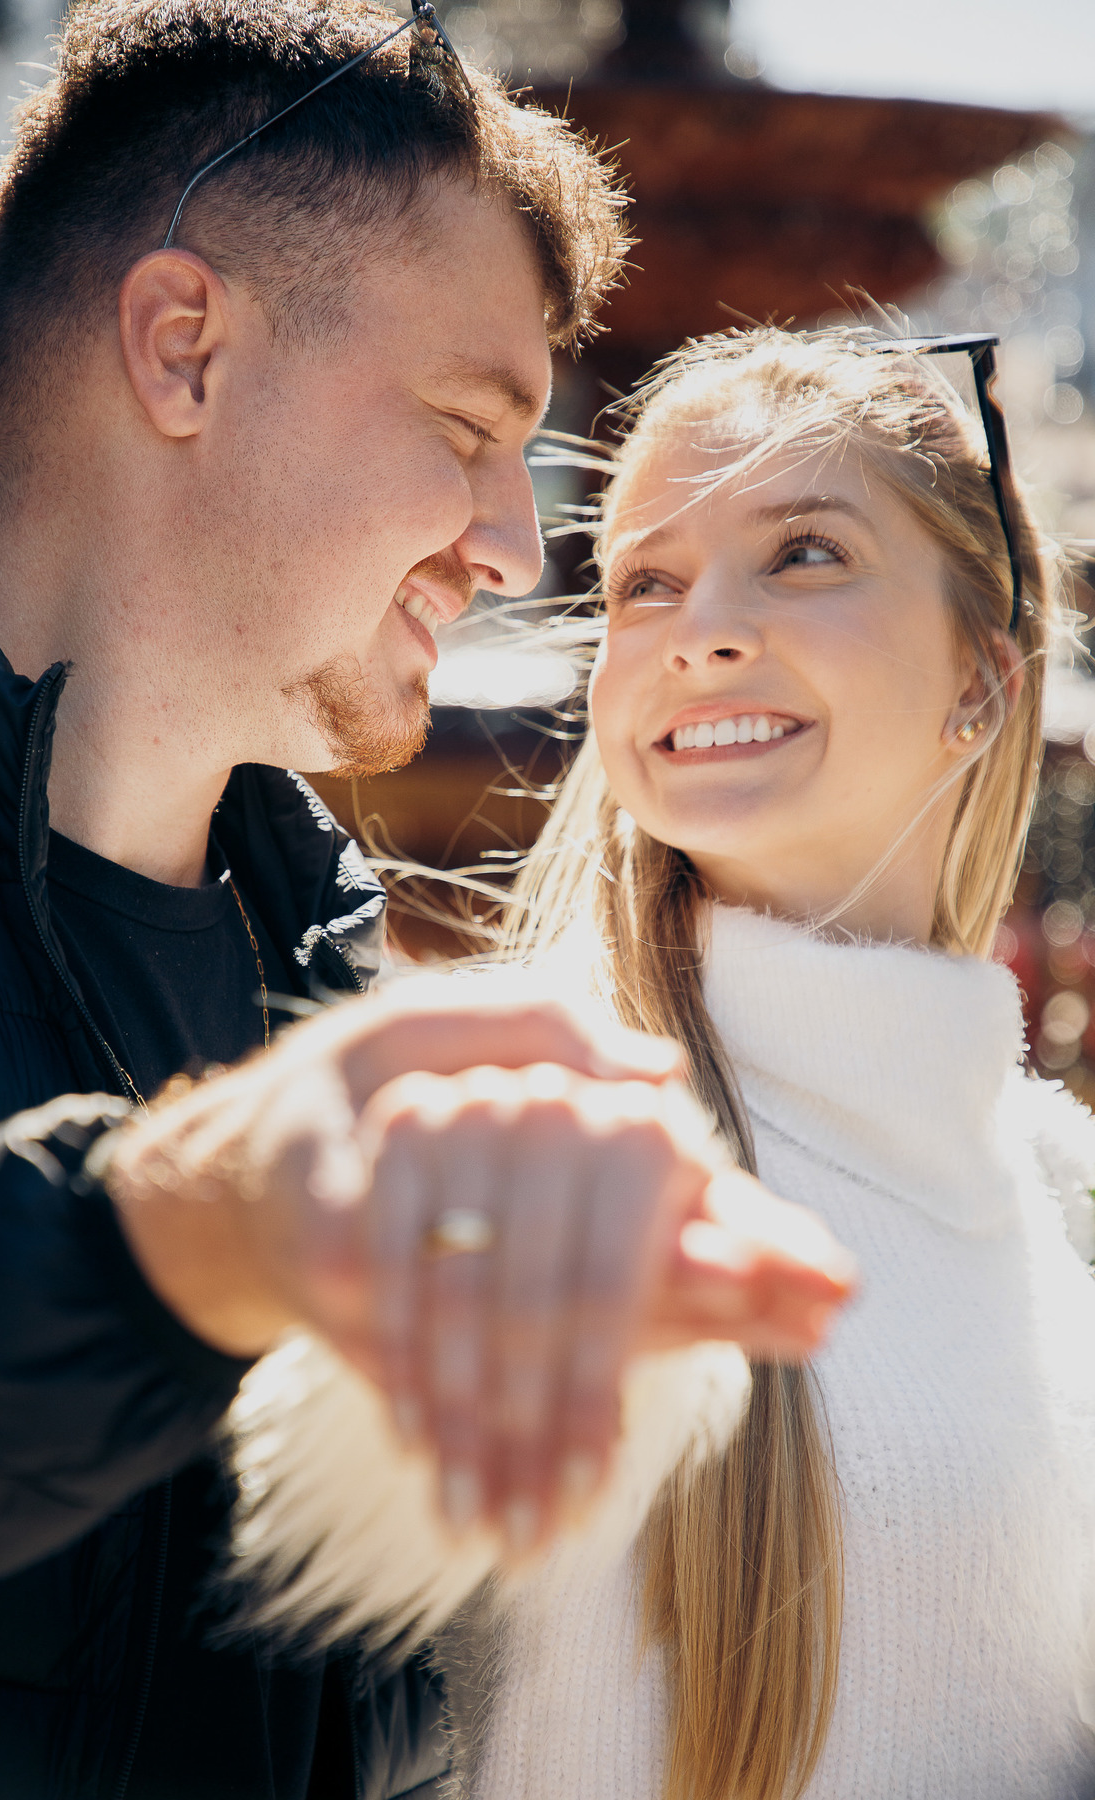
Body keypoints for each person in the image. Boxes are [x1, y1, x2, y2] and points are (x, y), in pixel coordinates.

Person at [0, 7, 855, 1798]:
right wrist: (180, 1239)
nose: (516, 545)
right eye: (464, 425)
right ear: (184, 349)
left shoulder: (341, 969)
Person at [352, 324, 1095, 1800]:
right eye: (644, 582)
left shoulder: (1064, 1192)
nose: (701, 630)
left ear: (983, 678)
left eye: (805, 551)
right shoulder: (495, 1146)